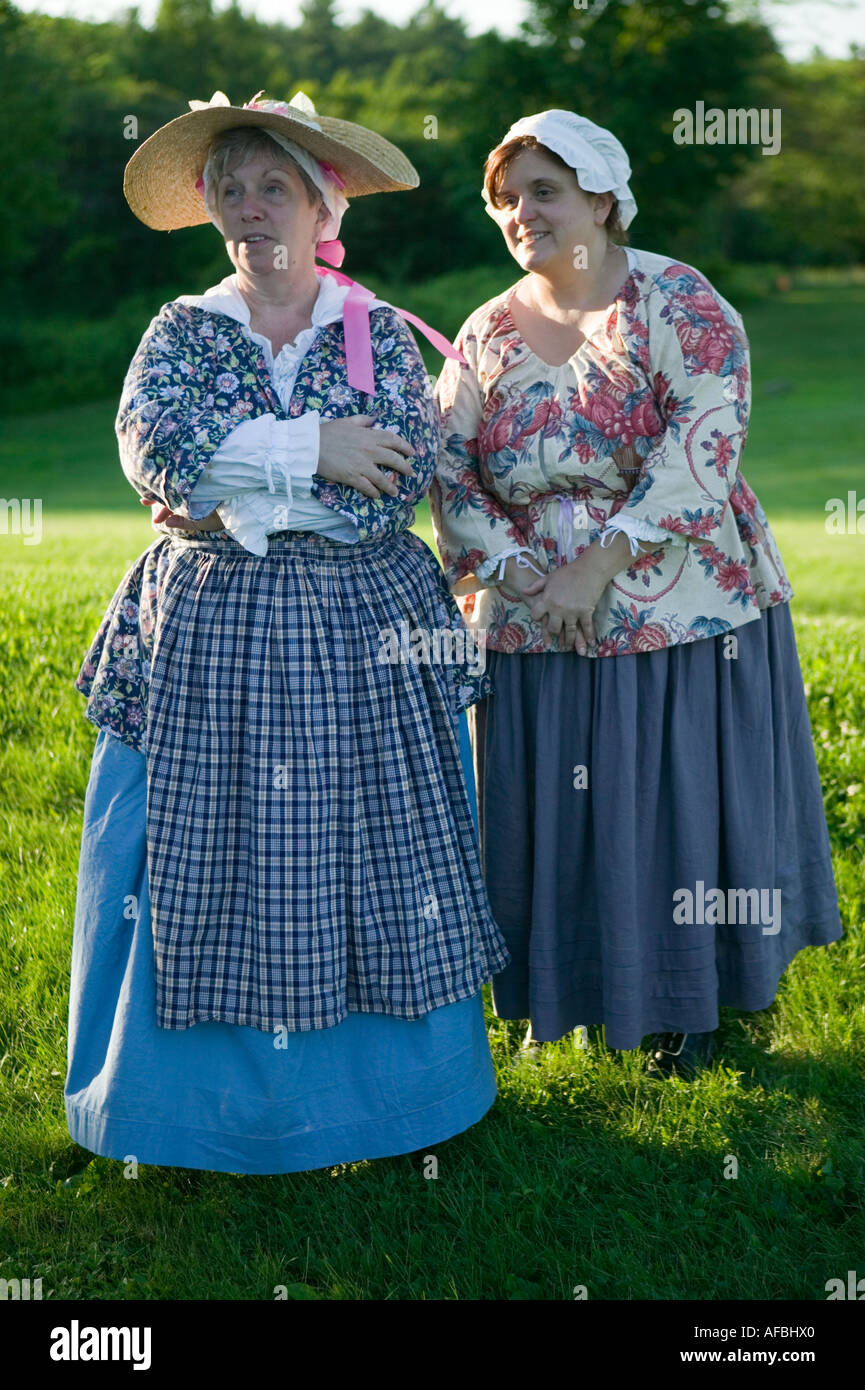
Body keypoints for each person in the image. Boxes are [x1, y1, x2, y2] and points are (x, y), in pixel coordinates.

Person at [67, 89, 509, 1173]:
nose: (251, 207)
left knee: (373, 848)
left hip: (360, 624)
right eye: (232, 188)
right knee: (187, 848)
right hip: (205, 628)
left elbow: (383, 485)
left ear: (324, 209)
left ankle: (396, 1106)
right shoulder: (181, 328)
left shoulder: (377, 338)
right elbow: (154, 451)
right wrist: (311, 447)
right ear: (211, 208)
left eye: (277, 187)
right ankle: (172, 1109)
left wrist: (238, 468)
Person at [429, 108, 842, 1078]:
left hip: (675, 601)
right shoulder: (483, 332)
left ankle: (684, 999)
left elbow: (704, 444)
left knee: (664, 802)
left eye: (543, 190)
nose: (520, 212)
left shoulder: (679, 302)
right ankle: (559, 994)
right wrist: (521, 571)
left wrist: (598, 562)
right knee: (554, 813)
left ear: (602, 199)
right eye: (504, 198)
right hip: (534, 616)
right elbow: (452, 478)